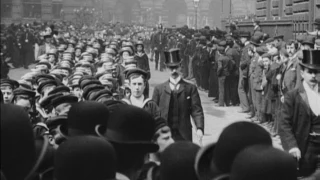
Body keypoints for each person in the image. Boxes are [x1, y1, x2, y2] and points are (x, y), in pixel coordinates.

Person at [279, 50, 320, 177]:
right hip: (305, 147)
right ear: (302, 73)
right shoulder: (293, 96)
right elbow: (284, 124)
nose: (313, 76)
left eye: (317, 72)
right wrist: (292, 146)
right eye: (310, 72)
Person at [152, 48, 204, 142]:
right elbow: (153, 113)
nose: (174, 71)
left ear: (180, 66)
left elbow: (197, 110)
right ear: (166, 68)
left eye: (176, 67)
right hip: (164, 134)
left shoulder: (190, 88)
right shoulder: (159, 89)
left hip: (184, 134)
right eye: (171, 68)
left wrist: (199, 128)